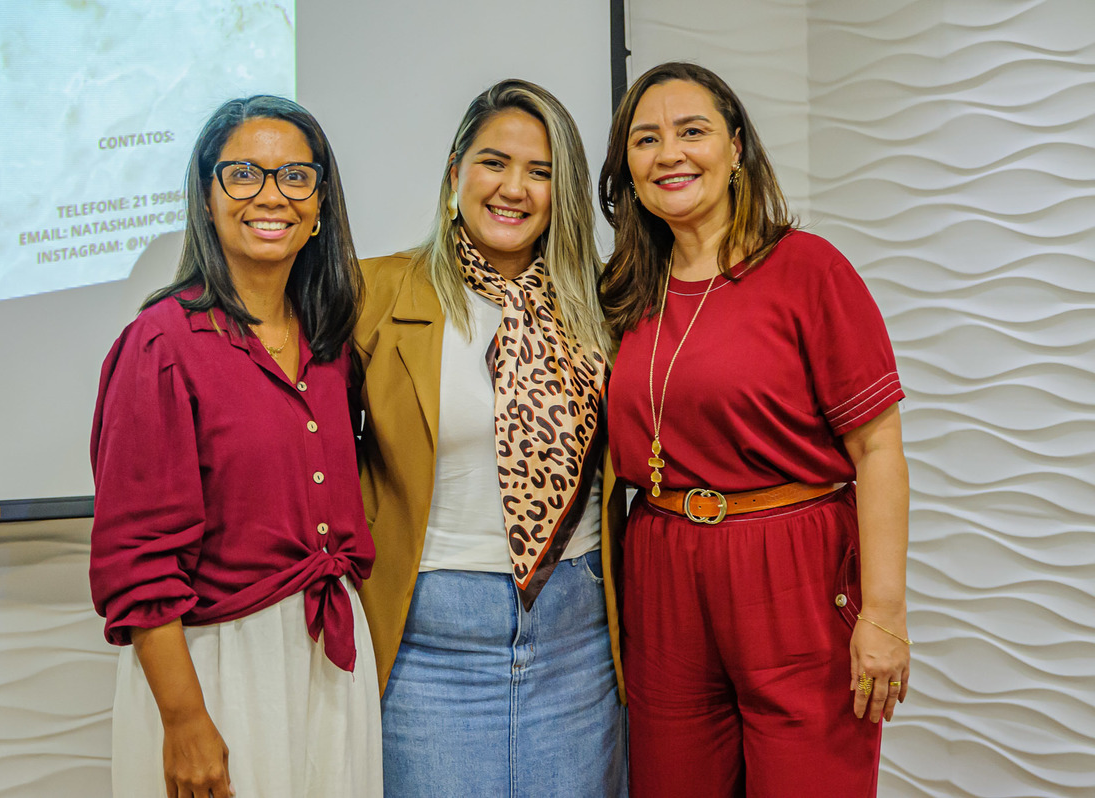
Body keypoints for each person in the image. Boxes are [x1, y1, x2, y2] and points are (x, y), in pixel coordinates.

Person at [599, 62, 911, 797]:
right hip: (664, 567)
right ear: (628, 167)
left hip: (791, 566)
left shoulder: (807, 269)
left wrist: (886, 615)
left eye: (692, 131)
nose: (669, 153)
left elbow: (879, 449)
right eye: (646, 140)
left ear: (736, 148)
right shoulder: (622, 289)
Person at [89, 95, 381, 797]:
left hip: (330, 655)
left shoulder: (332, 347)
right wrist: (186, 723)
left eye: (295, 177)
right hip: (217, 665)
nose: (270, 196)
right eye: (243, 175)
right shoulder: (160, 345)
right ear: (208, 195)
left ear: (319, 207)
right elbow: (138, 563)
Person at [354, 79, 628, 796]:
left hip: (579, 639)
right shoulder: (372, 295)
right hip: (428, 644)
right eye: (493, 162)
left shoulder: (608, 305)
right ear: (454, 174)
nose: (515, 188)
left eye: (540, 172)